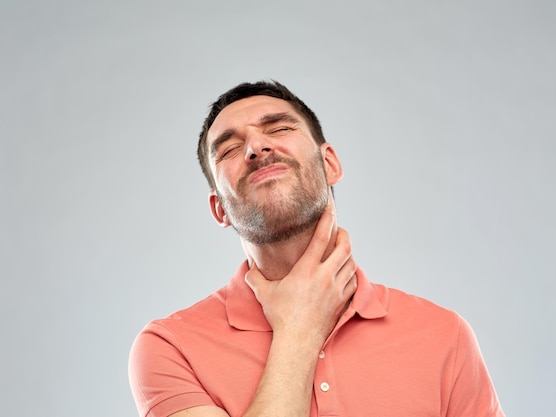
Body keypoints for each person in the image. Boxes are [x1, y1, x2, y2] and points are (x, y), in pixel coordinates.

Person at [128, 80, 504, 417]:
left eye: (278, 128)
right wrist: (299, 328)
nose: (256, 146)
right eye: (229, 149)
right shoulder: (169, 348)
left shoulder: (443, 335)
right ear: (219, 209)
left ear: (330, 164)